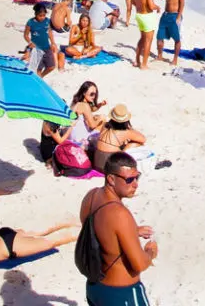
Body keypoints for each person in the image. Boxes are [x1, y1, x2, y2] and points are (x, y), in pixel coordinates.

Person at [79, 152, 156, 306]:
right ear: (111, 179)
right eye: (129, 179)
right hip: (122, 293)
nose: (135, 184)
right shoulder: (120, 215)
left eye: (137, 177)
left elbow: (97, 235)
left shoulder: (91, 196)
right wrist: (150, 253)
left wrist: (132, 231)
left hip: (95, 288)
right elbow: (139, 264)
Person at [93, 105, 146, 173]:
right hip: (110, 166)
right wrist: (130, 128)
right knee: (135, 144)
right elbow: (143, 139)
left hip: (97, 163)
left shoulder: (105, 125)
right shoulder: (125, 132)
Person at [131, 0, 160, 69]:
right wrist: (158, 7)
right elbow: (151, 6)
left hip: (138, 15)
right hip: (147, 16)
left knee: (142, 39)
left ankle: (137, 60)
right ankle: (143, 64)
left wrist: (140, 5)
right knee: (148, 41)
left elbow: (133, 2)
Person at [156, 0, 185, 66]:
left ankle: (175, 59)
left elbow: (182, 3)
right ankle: (159, 56)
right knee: (159, 36)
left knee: (176, 39)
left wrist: (178, 17)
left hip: (175, 15)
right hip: (165, 14)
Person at [24, 4, 57, 78]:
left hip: (47, 48)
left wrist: (53, 43)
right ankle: (39, 80)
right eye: (40, 15)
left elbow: (49, 32)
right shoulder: (30, 22)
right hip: (37, 49)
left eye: (44, 15)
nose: (42, 17)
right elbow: (26, 35)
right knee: (38, 69)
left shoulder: (47, 21)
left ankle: (41, 77)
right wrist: (30, 42)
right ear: (35, 14)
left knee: (51, 66)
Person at [70, 80, 106, 148]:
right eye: (92, 94)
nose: (94, 96)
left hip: (72, 136)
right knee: (103, 124)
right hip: (80, 139)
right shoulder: (84, 106)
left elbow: (92, 110)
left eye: (95, 94)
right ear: (84, 93)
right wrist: (100, 118)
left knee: (96, 117)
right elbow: (92, 126)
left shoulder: (76, 102)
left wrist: (100, 105)